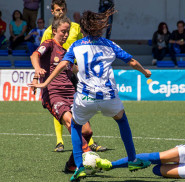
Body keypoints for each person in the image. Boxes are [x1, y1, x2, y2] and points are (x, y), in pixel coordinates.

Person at [28, 10, 152, 181]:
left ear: (83, 29)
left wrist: (43, 82)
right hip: (107, 97)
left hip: (85, 98)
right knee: (122, 120)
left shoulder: (75, 46)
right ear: (100, 28)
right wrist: (145, 72)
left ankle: (78, 167)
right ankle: (132, 159)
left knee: (79, 128)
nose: (66, 34)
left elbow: (65, 65)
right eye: (63, 31)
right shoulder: (109, 44)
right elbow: (131, 61)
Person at [30, 16, 96, 175]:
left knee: (87, 132)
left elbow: (73, 70)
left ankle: (72, 164)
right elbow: (34, 55)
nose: (65, 35)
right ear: (54, 31)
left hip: (71, 94)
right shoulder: (49, 44)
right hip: (53, 94)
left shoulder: (67, 53)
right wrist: (37, 71)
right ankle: (88, 156)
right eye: (62, 31)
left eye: (67, 32)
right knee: (70, 122)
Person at [41, 0, 106, 154]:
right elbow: (43, 55)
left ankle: (90, 141)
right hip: (57, 74)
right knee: (59, 106)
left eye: (62, 9)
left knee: (81, 105)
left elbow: (84, 46)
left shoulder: (75, 28)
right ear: (52, 12)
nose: (60, 12)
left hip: (74, 72)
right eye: (57, 10)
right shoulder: (48, 31)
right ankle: (59, 141)